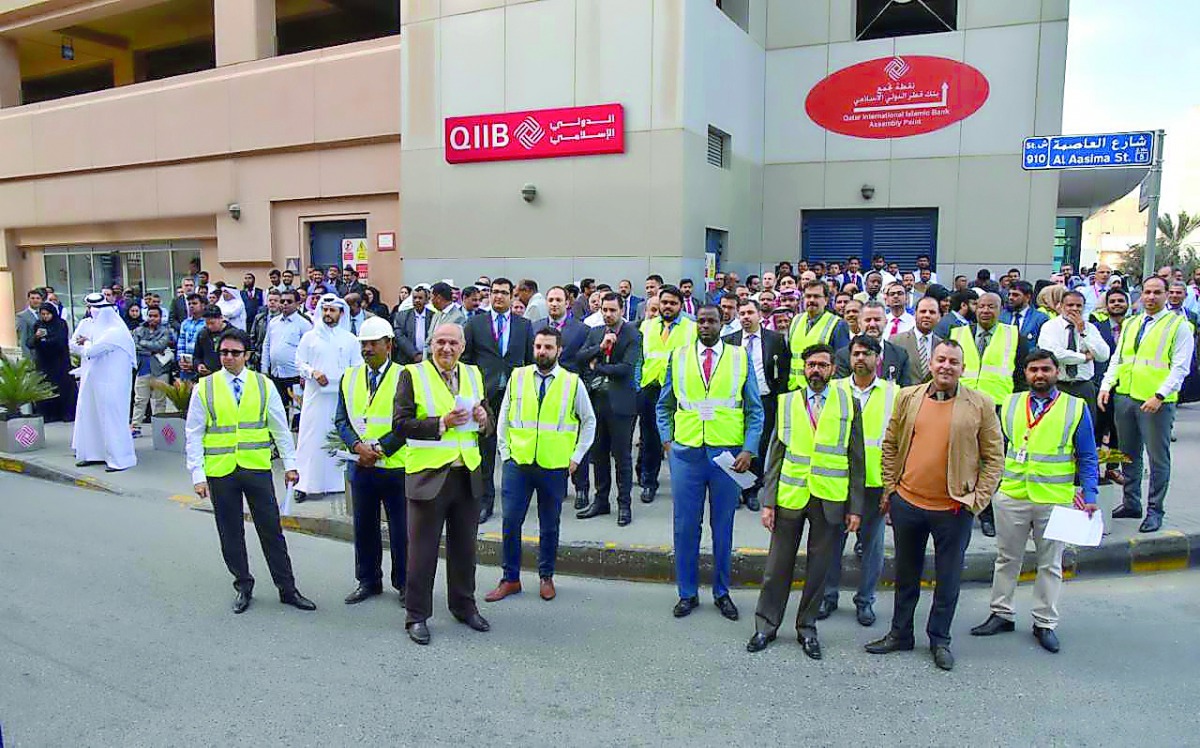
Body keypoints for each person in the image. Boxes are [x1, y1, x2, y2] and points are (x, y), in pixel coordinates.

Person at [866, 339, 1004, 671]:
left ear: (963, 368)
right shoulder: (908, 397)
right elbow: (890, 443)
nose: (946, 366)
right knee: (906, 574)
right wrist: (892, 487)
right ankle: (900, 634)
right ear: (931, 363)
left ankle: (939, 639)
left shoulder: (981, 404)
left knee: (948, 578)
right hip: (908, 504)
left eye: (953, 362)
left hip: (953, 509)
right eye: (940, 360)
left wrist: (975, 502)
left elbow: (995, 459)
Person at [970, 349, 1099, 653]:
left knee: (1050, 564)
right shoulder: (1011, 404)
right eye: (1033, 370)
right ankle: (1001, 613)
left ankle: (1044, 622)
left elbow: (1088, 455)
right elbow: (995, 449)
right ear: (1025, 373)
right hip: (1012, 494)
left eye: (1045, 369)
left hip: (1054, 499)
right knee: (1006, 559)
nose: (1039, 375)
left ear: (1057, 372)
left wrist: (1090, 494)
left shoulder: (1075, 408)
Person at [746, 343, 865, 658]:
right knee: (777, 566)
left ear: (832, 369)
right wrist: (768, 501)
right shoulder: (786, 403)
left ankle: (807, 628)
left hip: (830, 496)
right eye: (811, 364)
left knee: (819, 568)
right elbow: (775, 457)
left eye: (822, 365)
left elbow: (857, 460)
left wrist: (856, 508)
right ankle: (765, 625)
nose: (816, 370)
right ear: (803, 368)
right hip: (791, 494)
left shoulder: (850, 404)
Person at [185, 328, 315, 615]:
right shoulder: (204, 387)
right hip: (221, 471)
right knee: (230, 533)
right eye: (223, 353)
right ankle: (243, 585)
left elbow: (280, 428)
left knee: (271, 531)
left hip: (256, 468)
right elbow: (193, 433)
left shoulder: (263, 384)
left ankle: (287, 589)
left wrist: (291, 465)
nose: (228, 358)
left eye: (234, 353)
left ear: (247, 355)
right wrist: (198, 475)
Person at [658, 305, 763, 621]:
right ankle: (687, 593)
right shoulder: (677, 357)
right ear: (695, 324)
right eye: (701, 320)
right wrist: (667, 439)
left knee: (723, 526)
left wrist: (748, 449)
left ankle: (722, 592)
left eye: (712, 320)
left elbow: (755, 410)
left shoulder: (739, 357)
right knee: (686, 527)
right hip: (687, 453)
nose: (705, 325)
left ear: (722, 323)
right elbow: (663, 404)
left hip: (727, 456)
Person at [393, 323, 492, 645]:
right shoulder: (413, 374)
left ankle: (464, 606)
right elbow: (401, 424)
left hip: (467, 474)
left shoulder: (474, 374)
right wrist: (441, 424)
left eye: (452, 343)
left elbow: (487, 418)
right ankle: (417, 615)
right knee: (422, 552)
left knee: (465, 549)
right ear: (431, 344)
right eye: (440, 342)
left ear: (463, 346)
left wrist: (483, 419)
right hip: (428, 475)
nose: (446, 349)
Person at [486, 327, 596, 603]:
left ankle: (546, 576)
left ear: (558, 350)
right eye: (538, 346)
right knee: (511, 522)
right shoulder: (518, 376)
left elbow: (589, 421)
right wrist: (506, 452)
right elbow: (504, 418)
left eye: (548, 347)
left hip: (553, 466)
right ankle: (510, 579)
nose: (541, 352)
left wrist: (576, 457)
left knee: (549, 525)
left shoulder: (572, 382)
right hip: (518, 464)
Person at [1099, 275, 1194, 533]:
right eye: (1147, 292)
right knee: (1128, 454)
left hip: (1156, 403)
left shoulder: (1179, 326)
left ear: (1166, 295)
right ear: (1140, 295)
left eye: (1157, 292)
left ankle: (1155, 511)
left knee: (1157, 458)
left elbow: (1180, 368)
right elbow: (1119, 358)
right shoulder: (1132, 323)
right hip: (1126, 397)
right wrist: (1107, 386)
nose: (1151, 297)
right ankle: (1131, 503)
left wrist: (1160, 395)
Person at [819, 334, 897, 627]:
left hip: (875, 484)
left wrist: (892, 486)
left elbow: (899, 442)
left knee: (872, 547)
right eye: (856, 354)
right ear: (848, 358)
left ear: (878, 358)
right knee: (832, 544)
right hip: (839, 481)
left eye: (867, 353)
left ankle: (865, 601)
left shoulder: (894, 393)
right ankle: (828, 596)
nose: (860, 358)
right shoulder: (834, 390)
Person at [334, 318, 408, 606]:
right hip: (361, 466)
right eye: (363, 344)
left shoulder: (405, 376)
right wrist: (356, 446)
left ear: (388, 344)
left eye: (373, 343)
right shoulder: (350, 377)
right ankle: (368, 580)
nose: (367, 349)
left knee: (402, 531)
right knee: (364, 527)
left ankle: (403, 583)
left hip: (395, 467)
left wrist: (379, 448)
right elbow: (341, 418)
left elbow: (407, 423)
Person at [463, 278, 535, 523]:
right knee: (486, 450)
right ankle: (485, 501)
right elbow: (467, 360)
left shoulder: (524, 326)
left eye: (504, 293)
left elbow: (530, 362)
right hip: (486, 393)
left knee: (513, 448)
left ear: (512, 296)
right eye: (494, 292)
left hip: (515, 393)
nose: (498, 297)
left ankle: (515, 498)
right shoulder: (475, 324)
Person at [576, 293, 642, 526]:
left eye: (613, 310)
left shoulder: (633, 333)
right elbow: (580, 357)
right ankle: (600, 500)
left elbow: (625, 368)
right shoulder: (594, 333)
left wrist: (599, 367)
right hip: (596, 401)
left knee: (622, 456)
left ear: (622, 310)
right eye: (605, 309)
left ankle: (624, 504)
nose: (608, 314)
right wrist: (599, 349)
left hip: (621, 403)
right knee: (598, 454)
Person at [294, 294, 363, 500]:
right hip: (315, 397)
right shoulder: (310, 337)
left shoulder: (350, 339)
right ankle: (305, 483)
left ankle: (338, 484)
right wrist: (313, 372)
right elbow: (299, 361)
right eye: (325, 310)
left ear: (341, 313)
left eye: (332, 310)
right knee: (311, 439)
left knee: (337, 437)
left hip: (340, 398)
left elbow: (358, 366)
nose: (328, 314)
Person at [723, 298, 789, 511]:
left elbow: (784, 371)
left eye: (750, 313)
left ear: (760, 315)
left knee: (757, 446)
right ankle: (734, 490)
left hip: (764, 399)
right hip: (736, 401)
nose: (745, 317)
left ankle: (751, 490)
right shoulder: (729, 340)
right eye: (741, 313)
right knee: (735, 445)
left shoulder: (775, 339)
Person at [636, 286, 697, 504]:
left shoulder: (692, 328)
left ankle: (683, 482)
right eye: (664, 303)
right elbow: (639, 358)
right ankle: (649, 482)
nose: (667, 307)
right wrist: (637, 386)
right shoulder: (647, 326)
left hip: (679, 389)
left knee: (680, 438)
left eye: (672, 303)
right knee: (650, 439)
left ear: (680, 305)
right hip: (650, 388)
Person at [72, 293, 138, 472]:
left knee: (112, 419)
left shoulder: (115, 332)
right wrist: (86, 343)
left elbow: (91, 350)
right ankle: (95, 454)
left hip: (111, 384)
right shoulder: (92, 328)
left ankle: (119, 459)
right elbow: (74, 345)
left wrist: (86, 343)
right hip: (93, 380)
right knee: (91, 416)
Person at [1037, 290, 1109, 418]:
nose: (1074, 309)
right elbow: (1054, 355)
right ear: (1061, 306)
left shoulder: (1090, 328)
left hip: (1083, 386)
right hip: (1057, 385)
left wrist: (1083, 333)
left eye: (1079, 306)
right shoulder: (1050, 326)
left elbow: (1103, 355)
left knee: (1085, 427)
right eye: (1070, 305)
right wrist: (1084, 357)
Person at [261, 289, 313, 422]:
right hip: (276, 374)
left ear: (297, 303)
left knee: (297, 412)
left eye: (289, 301)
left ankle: (297, 439)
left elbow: (310, 350)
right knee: (278, 410)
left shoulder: (304, 324)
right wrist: (264, 368)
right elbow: (266, 345)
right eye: (282, 301)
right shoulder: (273, 323)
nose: (284, 304)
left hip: (295, 376)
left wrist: (305, 373)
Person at [787, 281, 850, 390]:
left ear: (826, 300)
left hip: (822, 388)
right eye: (808, 296)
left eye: (816, 296)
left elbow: (841, 364)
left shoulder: (838, 324)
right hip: (794, 387)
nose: (811, 300)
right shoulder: (795, 320)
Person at [834, 302, 910, 385]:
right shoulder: (843, 355)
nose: (872, 324)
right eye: (868, 320)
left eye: (877, 320)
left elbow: (904, 390)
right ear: (859, 323)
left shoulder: (900, 354)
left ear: (886, 322)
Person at [130, 306, 176, 435]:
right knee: (139, 400)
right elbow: (135, 346)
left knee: (160, 400)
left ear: (160, 317)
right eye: (150, 315)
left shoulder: (165, 331)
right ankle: (135, 427)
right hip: (143, 369)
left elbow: (161, 345)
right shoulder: (138, 329)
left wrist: (144, 344)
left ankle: (158, 428)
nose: (152, 318)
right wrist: (151, 347)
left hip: (160, 369)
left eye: (155, 316)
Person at [30, 302, 77, 423]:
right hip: (44, 363)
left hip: (59, 362)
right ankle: (48, 414)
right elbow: (30, 343)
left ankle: (66, 413)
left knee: (63, 388)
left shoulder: (60, 324)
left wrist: (45, 341)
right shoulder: (38, 325)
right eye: (43, 314)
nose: (45, 316)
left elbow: (60, 341)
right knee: (46, 387)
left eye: (47, 314)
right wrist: (37, 337)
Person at [891, 296, 942, 385]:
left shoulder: (942, 345)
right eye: (923, 311)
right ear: (915, 315)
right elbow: (890, 377)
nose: (927, 315)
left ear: (939, 317)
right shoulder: (896, 341)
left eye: (932, 312)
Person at [393, 285, 434, 365]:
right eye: (414, 298)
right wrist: (415, 354)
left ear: (426, 300)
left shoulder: (433, 316)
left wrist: (425, 356)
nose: (417, 300)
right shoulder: (401, 316)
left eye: (420, 298)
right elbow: (399, 337)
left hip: (428, 360)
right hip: (407, 359)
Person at [1001, 280, 1049, 346]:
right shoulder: (1001, 316)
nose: (1010, 298)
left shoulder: (1040, 319)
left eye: (1015, 295)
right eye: (1009, 294)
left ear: (1028, 297)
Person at [192, 305, 231, 377]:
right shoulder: (202, 334)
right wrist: (199, 365)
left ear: (221, 318)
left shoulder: (232, 335)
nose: (209, 326)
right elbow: (196, 356)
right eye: (207, 323)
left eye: (212, 323)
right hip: (206, 377)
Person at [249, 290, 280, 370]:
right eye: (270, 300)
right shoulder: (259, 318)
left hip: (276, 358)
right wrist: (253, 354)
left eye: (276, 301)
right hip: (260, 356)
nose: (272, 303)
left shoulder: (283, 319)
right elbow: (252, 337)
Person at [16, 288, 44, 359]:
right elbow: (23, 340)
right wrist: (28, 359)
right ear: (28, 300)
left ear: (41, 300)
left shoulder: (44, 314)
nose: (35, 300)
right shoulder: (22, 316)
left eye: (38, 298)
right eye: (32, 298)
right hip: (33, 354)